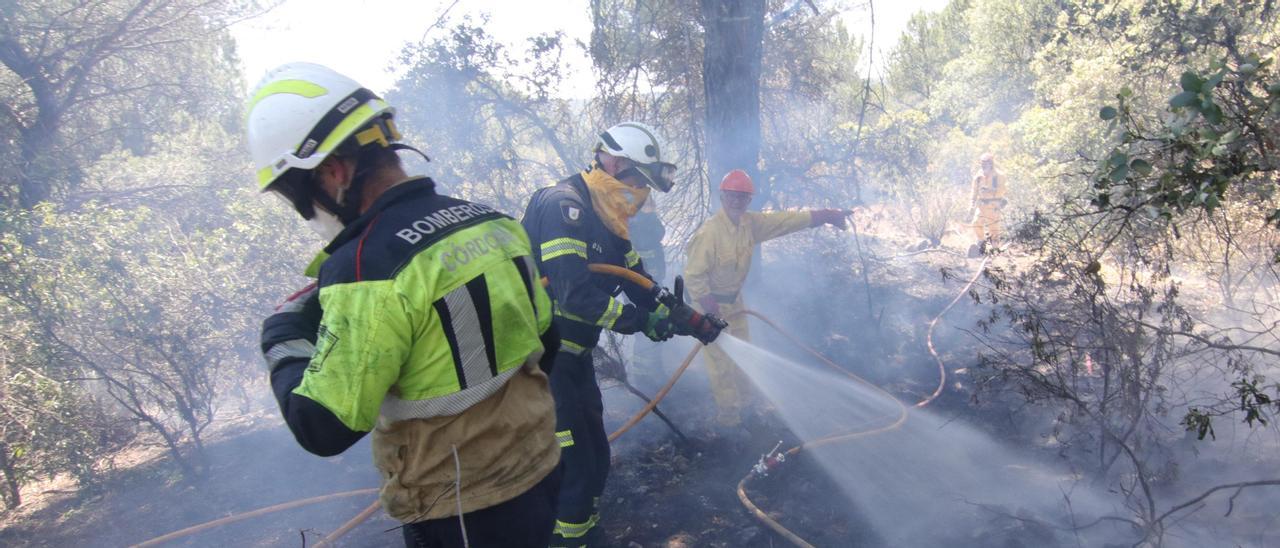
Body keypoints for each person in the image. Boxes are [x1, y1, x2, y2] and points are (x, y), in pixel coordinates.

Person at [248, 62, 561, 548]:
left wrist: (281, 335)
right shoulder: (493, 224)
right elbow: (548, 342)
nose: (305, 212)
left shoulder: (365, 269)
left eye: (298, 195)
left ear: (331, 172)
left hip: (462, 510)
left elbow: (322, 427)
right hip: (539, 470)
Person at [521, 121, 721, 547]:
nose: (641, 194)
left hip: (572, 361)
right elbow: (574, 294)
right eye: (638, 181)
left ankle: (586, 534)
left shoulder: (607, 219)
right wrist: (638, 322)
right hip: (540, 366)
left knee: (594, 457)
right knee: (572, 466)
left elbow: (638, 281)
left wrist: (689, 320)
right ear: (612, 162)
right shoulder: (565, 206)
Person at [684, 169, 851, 430]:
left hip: (734, 303)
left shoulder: (750, 224)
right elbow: (693, 276)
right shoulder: (709, 233)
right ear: (722, 196)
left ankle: (747, 407)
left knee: (743, 355)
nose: (737, 201)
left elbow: (785, 221)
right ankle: (729, 421)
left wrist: (826, 215)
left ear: (749, 200)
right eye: (732, 196)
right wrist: (709, 310)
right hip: (710, 306)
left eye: (743, 197)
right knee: (721, 363)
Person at [969, 152, 1007, 253]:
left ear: (991, 163)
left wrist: (989, 191)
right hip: (981, 205)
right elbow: (974, 190)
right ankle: (981, 242)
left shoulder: (999, 175)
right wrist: (972, 203)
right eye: (982, 162)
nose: (984, 164)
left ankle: (995, 249)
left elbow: (1002, 190)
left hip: (994, 205)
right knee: (976, 223)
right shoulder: (978, 176)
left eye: (986, 162)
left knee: (994, 228)